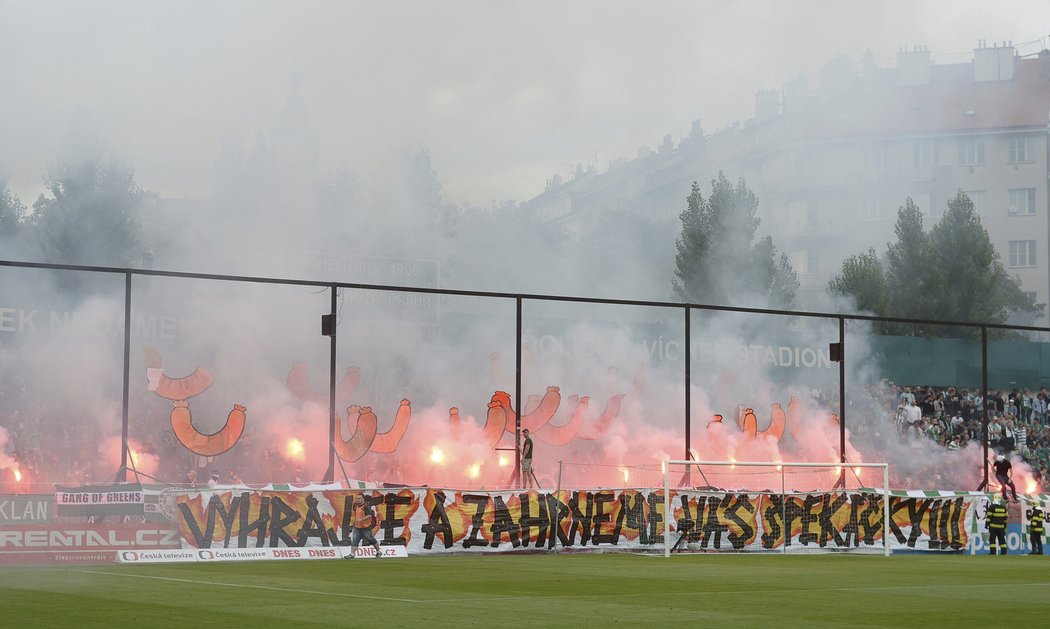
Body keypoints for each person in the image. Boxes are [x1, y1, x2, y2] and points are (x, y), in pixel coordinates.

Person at [345, 493, 382, 559]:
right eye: (357, 498)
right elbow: (355, 515)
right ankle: (352, 554)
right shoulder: (355, 506)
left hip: (366, 527)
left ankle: (378, 551)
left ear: (363, 499)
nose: (357, 500)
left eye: (359, 498)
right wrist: (352, 524)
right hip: (357, 527)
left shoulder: (366, 506)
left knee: (371, 539)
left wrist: (362, 519)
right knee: (355, 540)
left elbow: (369, 515)